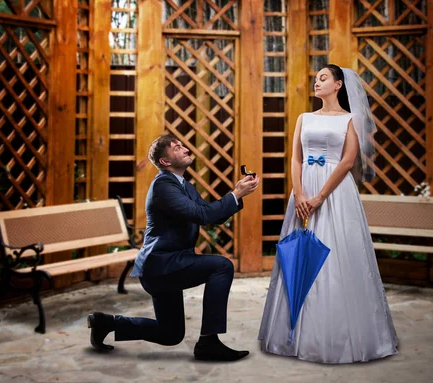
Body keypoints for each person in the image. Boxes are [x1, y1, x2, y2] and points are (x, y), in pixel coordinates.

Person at [258, 64, 398, 364]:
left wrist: (320, 197)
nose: (316, 82)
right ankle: (293, 334)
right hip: (304, 190)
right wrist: (299, 194)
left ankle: (337, 336)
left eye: (323, 78)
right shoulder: (304, 118)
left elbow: (348, 162)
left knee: (339, 256)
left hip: (335, 194)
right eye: (315, 78)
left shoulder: (351, 119)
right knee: (299, 253)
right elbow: (296, 157)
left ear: (338, 85)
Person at [88, 134, 259, 362]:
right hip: (160, 266)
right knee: (222, 266)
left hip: (169, 266)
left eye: (182, 145)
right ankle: (209, 342)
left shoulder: (183, 186)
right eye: (177, 148)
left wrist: (238, 194)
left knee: (170, 334)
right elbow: (203, 215)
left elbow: (210, 216)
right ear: (165, 162)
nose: (185, 148)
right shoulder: (163, 185)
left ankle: (106, 322)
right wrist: (235, 194)